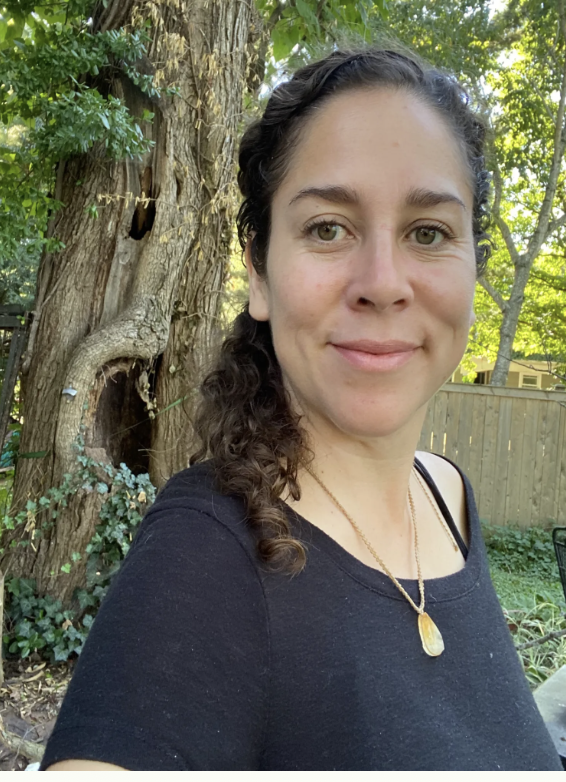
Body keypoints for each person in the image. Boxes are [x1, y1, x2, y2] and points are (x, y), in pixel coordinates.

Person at [41, 47, 562, 771]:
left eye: (429, 232)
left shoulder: (447, 498)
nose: (383, 283)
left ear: (475, 264)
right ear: (257, 271)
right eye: (327, 227)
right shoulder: (205, 557)